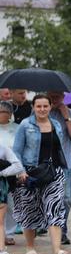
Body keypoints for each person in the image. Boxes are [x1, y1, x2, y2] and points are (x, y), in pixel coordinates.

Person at [12, 94, 69, 254]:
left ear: (50, 107)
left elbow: (59, 148)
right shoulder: (25, 125)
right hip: (30, 173)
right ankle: (30, 246)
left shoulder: (56, 124)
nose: (42, 109)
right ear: (33, 107)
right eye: (39, 106)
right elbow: (16, 151)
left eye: (45, 106)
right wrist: (21, 171)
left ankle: (57, 249)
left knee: (55, 207)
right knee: (30, 208)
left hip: (54, 172)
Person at [46, 91, 71, 246]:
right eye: (52, 95)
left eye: (58, 96)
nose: (55, 99)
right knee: (49, 199)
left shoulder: (70, 113)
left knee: (66, 199)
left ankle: (62, 229)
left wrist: (66, 116)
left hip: (66, 162)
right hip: (46, 164)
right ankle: (54, 230)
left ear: (63, 97)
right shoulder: (41, 111)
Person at [0, 101, 19, 245]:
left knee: (11, 202)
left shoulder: (17, 128)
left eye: (4, 112)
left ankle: (9, 232)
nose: (1, 114)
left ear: (10, 114)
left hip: (13, 169)